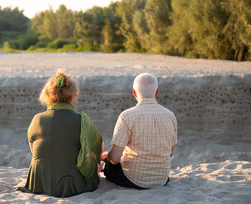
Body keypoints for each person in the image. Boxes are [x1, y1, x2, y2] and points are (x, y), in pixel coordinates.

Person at [18, 69, 103, 197]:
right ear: (73, 95)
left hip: (39, 183)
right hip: (72, 185)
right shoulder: (82, 121)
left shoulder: (37, 119)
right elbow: (97, 151)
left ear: (47, 95)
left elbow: (34, 150)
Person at [100, 73, 177, 189]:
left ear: (134, 92)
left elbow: (115, 158)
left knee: (109, 165)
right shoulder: (170, 116)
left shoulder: (127, 116)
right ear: (157, 92)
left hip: (134, 180)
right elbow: (170, 152)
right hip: (162, 179)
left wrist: (106, 157)